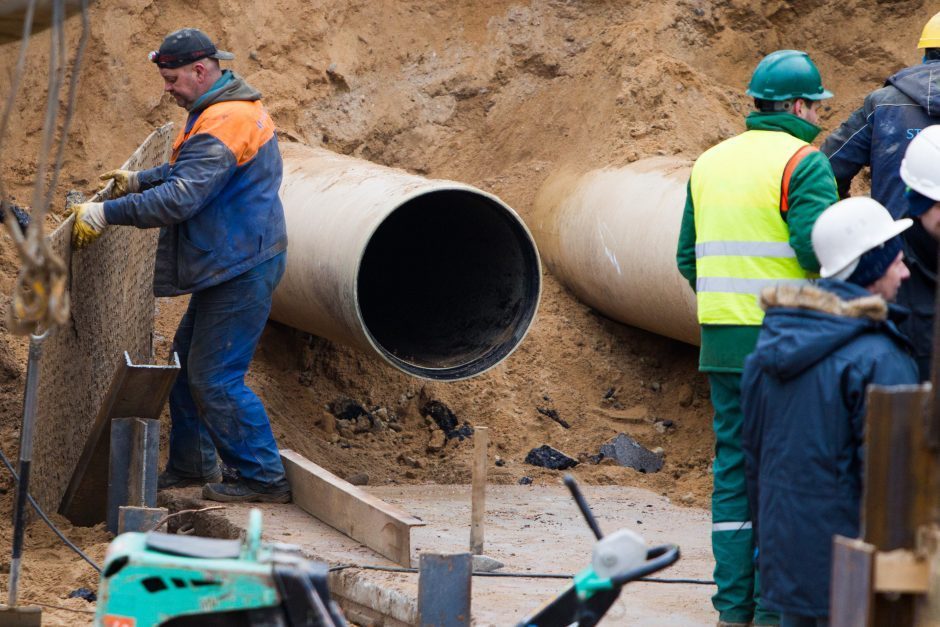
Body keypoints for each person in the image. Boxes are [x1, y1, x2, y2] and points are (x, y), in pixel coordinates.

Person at [69, 28, 290, 503]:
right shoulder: (220, 109)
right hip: (230, 258)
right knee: (188, 365)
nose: (166, 88)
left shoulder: (224, 119)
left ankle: (263, 478)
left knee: (214, 377)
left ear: (200, 70)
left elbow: (182, 197)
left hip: (241, 266)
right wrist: (137, 181)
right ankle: (193, 464)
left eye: (172, 79)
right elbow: (189, 171)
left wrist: (106, 212)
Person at [676, 49, 839, 627]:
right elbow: (820, 252)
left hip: (721, 342)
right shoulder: (805, 162)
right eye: (816, 106)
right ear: (797, 105)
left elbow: (686, 258)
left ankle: (732, 608)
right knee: (784, 477)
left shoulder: (709, 162)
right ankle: (773, 612)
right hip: (786, 346)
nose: (819, 117)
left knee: (733, 473)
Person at [741, 197, 919, 626]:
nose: (906, 271)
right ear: (871, 270)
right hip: (853, 571)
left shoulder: (769, 349)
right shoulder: (879, 357)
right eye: (896, 262)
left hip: (789, 562)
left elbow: (754, 462)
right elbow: (895, 484)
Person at [820, 11, 940, 380]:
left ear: (926, 52)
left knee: (898, 372)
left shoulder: (885, 102)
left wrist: (852, 227)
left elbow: (828, 168)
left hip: (894, 265)